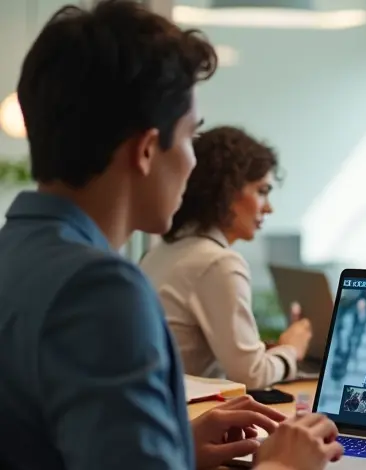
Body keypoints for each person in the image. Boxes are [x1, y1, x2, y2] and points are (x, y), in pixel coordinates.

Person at [0, 2, 342, 470]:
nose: (193, 162)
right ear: (146, 150)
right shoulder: (100, 289)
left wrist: (175, 444)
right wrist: (282, 465)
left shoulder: (14, 254)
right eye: (188, 137)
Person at [140, 125, 312, 390]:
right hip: (194, 409)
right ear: (228, 191)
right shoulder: (217, 262)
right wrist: (291, 350)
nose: (269, 208)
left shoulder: (162, 251)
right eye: (262, 191)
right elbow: (252, 375)